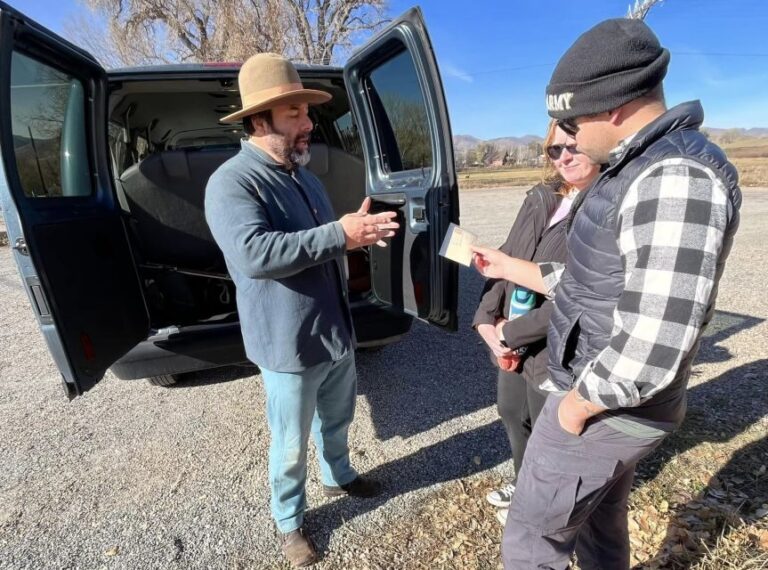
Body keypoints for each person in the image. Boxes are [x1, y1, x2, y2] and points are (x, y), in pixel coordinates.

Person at [471, 18, 741, 568]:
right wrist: (515, 269)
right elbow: (599, 282)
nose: (565, 137)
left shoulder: (676, 177)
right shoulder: (637, 168)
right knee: (598, 523)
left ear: (613, 107)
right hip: (603, 398)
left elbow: (654, 340)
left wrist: (573, 408)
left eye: (571, 119)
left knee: (531, 538)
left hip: (603, 405)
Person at [204, 53, 399, 568]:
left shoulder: (304, 177)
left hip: (334, 330)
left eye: (307, 113)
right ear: (258, 120)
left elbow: (319, 244)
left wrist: (351, 237)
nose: (309, 123)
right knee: (289, 441)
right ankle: (289, 522)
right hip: (288, 344)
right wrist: (340, 234)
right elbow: (255, 253)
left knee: (338, 418)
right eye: (294, 114)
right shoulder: (232, 182)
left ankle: (337, 476)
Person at [473, 121, 600, 527]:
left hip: (553, 345)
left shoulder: (601, 211)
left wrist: (511, 333)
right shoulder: (541, 197)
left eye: (573, 146)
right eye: (554, 150)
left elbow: (577, 295)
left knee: (549, 430)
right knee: (512, 412)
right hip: (510, 338)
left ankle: (546, 507)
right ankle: (523, 483)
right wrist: (486, 321)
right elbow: (505, 259)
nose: (564, 157)